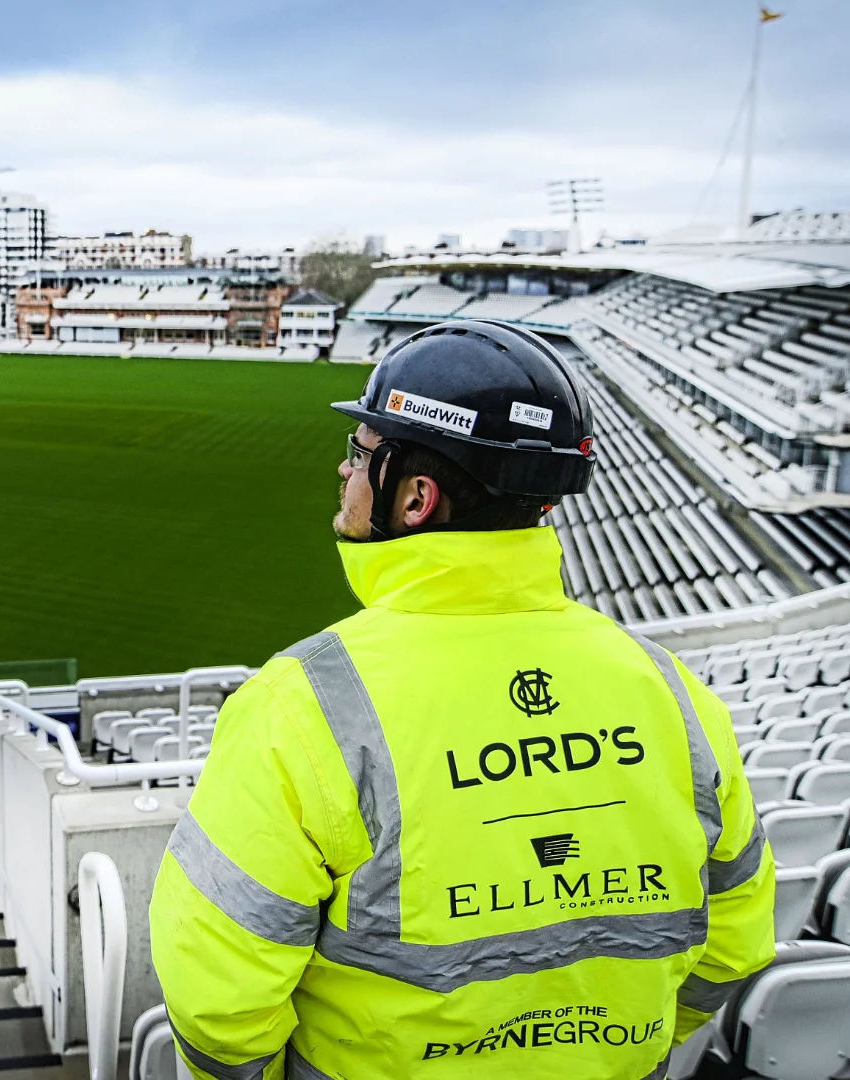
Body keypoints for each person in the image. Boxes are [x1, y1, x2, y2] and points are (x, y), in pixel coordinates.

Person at [149, 320, 775, 1079]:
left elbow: (217, 1003)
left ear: (416, 497)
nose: (341, 471)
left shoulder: (301, 705)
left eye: (362, 454)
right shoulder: (673, 695)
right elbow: (737, 939)